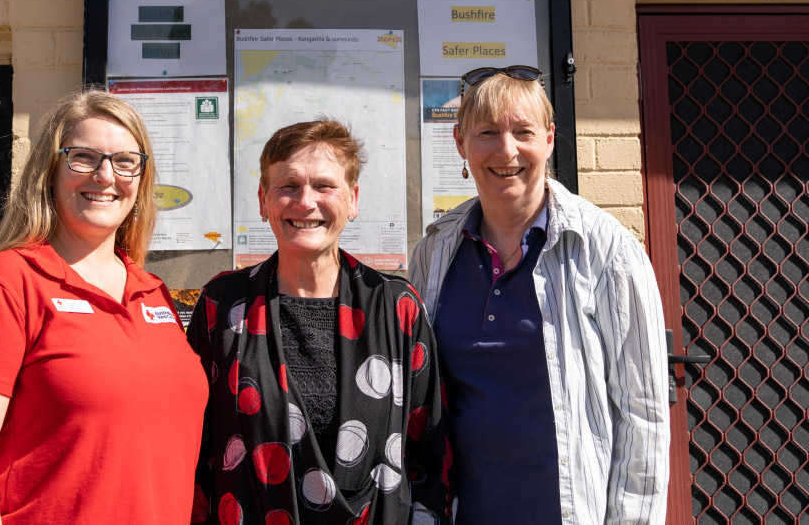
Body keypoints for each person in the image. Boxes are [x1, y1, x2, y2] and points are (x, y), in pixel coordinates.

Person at [0, 89, 207, 525]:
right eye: (84, 158)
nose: (105, 175)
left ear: (141, 179)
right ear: (49, 172)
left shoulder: (153, 293)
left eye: (125, 161)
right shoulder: (4, 284)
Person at [410, 66, 670, 525]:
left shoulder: (605, 250)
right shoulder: (436, 250)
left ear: (549, 140)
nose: (506, 150)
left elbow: (642, 414)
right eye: (487, 132)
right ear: (459, 144)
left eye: (523, 132)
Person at [188, 119, 452, 525]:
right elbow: (195, 453)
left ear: (352, 199)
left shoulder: (396, 308)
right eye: (288, 186)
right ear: (263, 200)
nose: (305, 201)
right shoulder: (221, 307)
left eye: (324, 186)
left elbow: (431, 453)